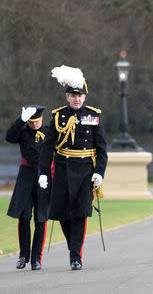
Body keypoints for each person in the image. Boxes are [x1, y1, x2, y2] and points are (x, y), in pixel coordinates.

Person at [38, 65, 108, 269]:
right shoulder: (58, 116)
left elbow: (102, 149)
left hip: (85, 169)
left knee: (80, 212)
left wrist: (99, 172)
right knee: (61, 213)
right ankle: (73, 248)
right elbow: (47, 148)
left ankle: (76, 256)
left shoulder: (93, 116)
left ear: (85, 97)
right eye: (73, 95)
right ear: (67, 97)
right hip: (62, 168)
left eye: (80, 96)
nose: (77, 99)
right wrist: (43, 172)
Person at [6, 105, 49, 270]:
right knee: (24, 218)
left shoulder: (48, 132)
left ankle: (37, 258)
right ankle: (24, 255)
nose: (34, 125)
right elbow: (9, 137)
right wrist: (20, 121)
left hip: (43, 177)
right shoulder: (23, 131)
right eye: (31, 122)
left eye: (37, 121)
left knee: (40, 218)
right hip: (26, 177)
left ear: (42, 119)